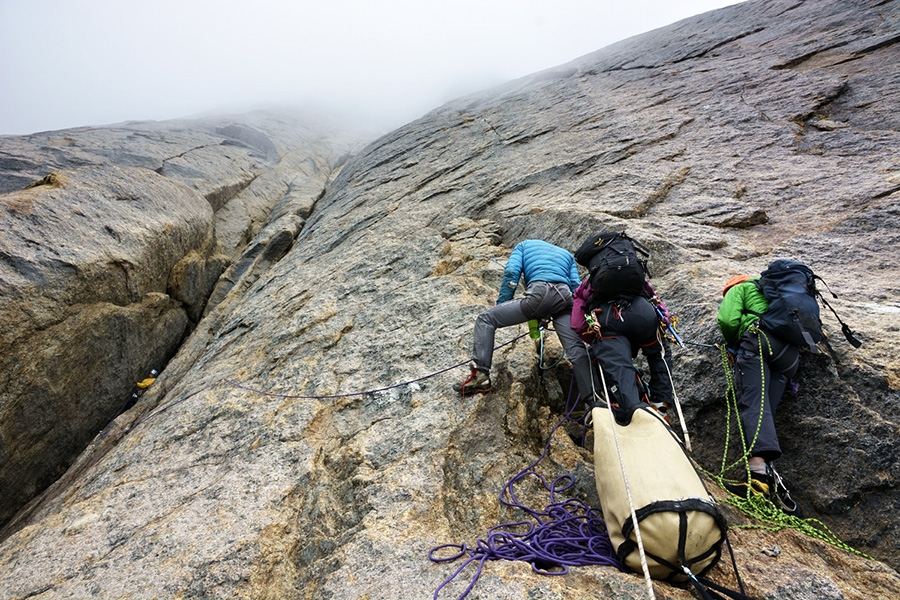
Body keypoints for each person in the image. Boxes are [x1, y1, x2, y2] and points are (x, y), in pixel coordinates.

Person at [453, 239, 599, 400]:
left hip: (539, 293)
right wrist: (584, 318)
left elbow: (511, 273)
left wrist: (502, 304)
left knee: (485, 319)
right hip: (565, 299)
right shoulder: (566, 254)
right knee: (576, 352)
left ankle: (480, 375)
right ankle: (594, 400)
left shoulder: (523, 246)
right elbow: (576, 287)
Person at [717, 273, 802, 516]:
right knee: (765, 411)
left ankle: (757, 480)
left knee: (754, 404)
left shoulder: (738, 288)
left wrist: (735, 343)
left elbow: (728, 320)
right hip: (789, 358)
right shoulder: (778, 296)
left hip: (760, 342)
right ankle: (770, 477)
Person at [579, 279, 674, 426]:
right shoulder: (633, 272)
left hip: (608, 322)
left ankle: (634, 410)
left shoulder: (587, 284)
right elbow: (655, 299)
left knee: (619, 367)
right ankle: (660, 406)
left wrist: (595, 341)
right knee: (659, 353)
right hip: (643, 315)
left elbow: (577, 324)